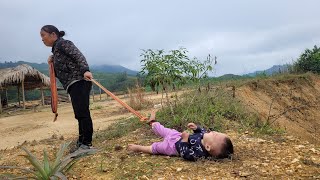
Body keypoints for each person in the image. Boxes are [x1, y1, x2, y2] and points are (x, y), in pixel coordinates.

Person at [40, 25, 95, 151]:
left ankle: (86, 143)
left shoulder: (63, 44)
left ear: (53, 35)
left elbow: (78, 56)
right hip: (73, 84)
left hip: (79, 81)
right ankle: (82, 142)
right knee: (80, 113)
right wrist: (52, 60)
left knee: (82, 113)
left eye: (43, 35)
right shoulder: (56, 50)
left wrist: (85, 70)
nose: (42, 39)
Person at [128, 110, 234, 161]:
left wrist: (185, 139)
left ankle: (139, 148)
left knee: (156, 148)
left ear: (208, 147)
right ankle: (153, 123)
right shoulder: (204, 136)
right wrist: (196, 128)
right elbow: (201, 132)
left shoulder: (199, 153)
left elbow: (185, 154)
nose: (214, 132)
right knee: (164, 130)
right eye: (217, 132)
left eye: (215, 135)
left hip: (172, 148)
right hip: (176, 135)